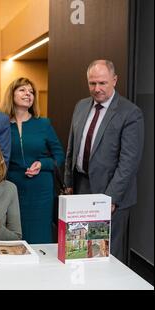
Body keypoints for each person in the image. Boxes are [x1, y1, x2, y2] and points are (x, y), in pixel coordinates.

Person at [64, 59, 144, 263]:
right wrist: (69, 183)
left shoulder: (130, 113)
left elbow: (129, 163)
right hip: (81, 188)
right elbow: (72, 148)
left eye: (102, 83)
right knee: (79, 250)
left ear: (114, 80)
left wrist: (111, 198)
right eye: (92, 83)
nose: (97, 88)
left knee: (104, 254)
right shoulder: (81, 106)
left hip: (109, 194)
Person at [0, 77, 65, 244]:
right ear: (11, 94)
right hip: (12, 187)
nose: (28, 94)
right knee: (14, 234)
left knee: (39, 235)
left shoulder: (43, 124)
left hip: (41, 188)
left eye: (31, 92)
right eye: (22, 90)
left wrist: (42, 164)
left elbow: (59, 155)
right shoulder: (1, 124)